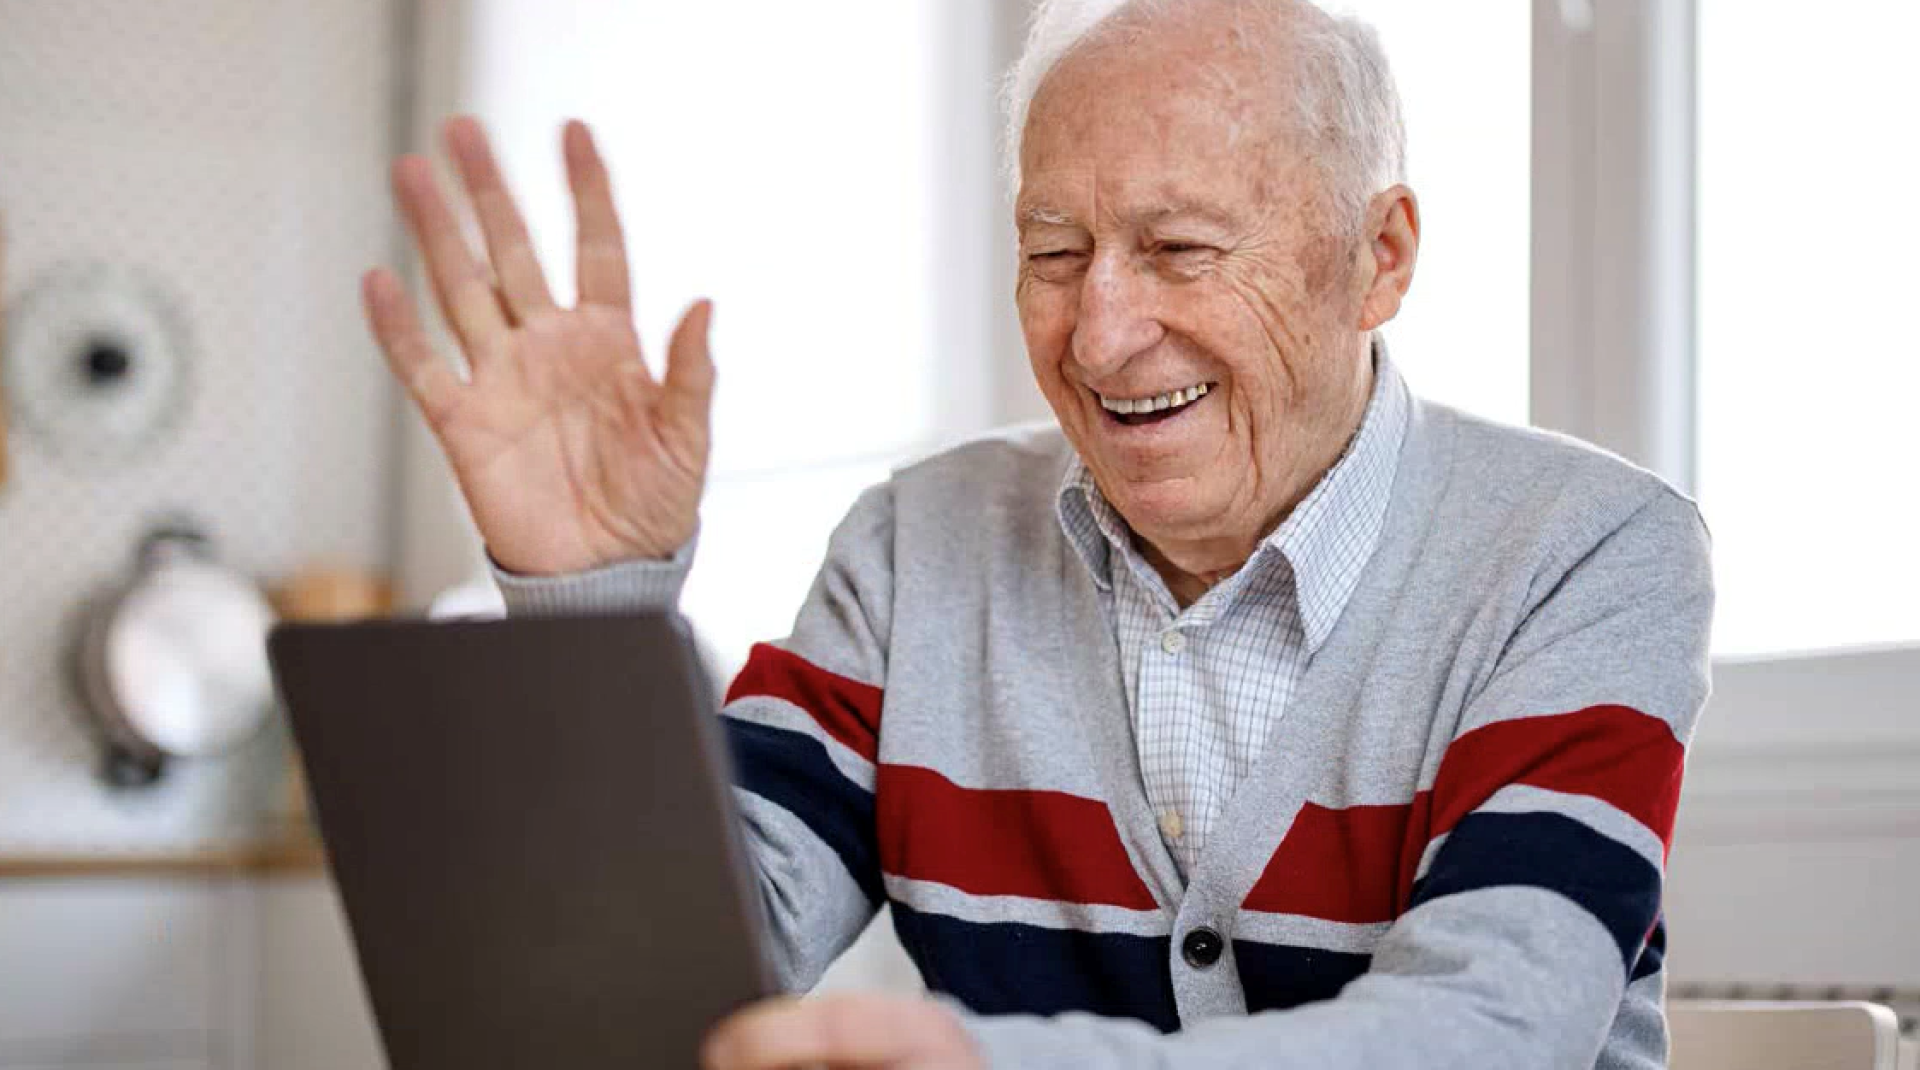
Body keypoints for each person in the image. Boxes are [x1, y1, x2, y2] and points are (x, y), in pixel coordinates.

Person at [360, 0, 1712, 1066]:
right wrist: (594, 598)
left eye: (1181, 250)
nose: (1103, 333)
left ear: (1383, 256)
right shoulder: (911, 552)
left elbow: (1490, 1034)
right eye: (1054, 253)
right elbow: (670, 988)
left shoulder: (1587, 552)